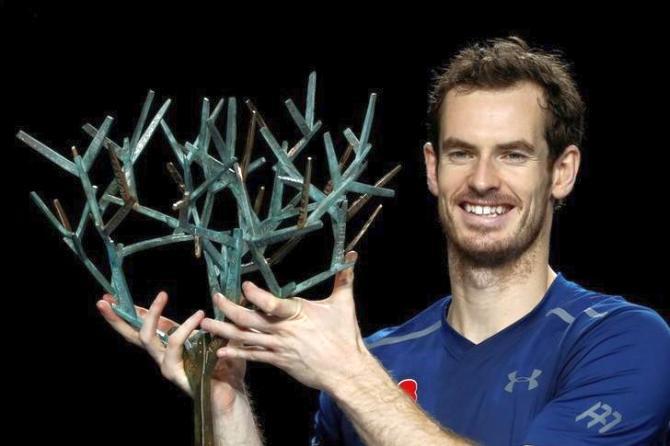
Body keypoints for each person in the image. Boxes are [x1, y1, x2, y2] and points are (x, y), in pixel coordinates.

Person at [97, 36, 670, 445]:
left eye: (514, 154)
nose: (483, 180)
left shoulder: (622, 343)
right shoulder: (384, 357)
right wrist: (224, 405)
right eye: (461, 152)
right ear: (431, 168)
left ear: (562, 172)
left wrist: (347, 372)